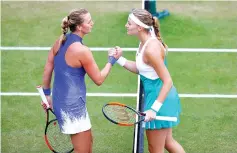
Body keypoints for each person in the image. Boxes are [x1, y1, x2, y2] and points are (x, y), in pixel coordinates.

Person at [42, 8, 119, 153]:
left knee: (88, 143)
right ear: (79, 26)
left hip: (63, 102)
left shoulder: (59, 42)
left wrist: (47, 95)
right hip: (72, 109)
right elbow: (99, 79)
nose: (92, 23)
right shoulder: (82, 51)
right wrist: (112, 60)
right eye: (89, 22)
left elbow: (48, 68)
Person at [114, 8, 185, 153]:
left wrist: (154, 109)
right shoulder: (144, 43)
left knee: (155, 149)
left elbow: (168, 81)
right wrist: (119, 59)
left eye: (129, 23)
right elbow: (142, 69)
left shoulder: (150, 49)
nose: (126, 26)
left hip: (160, 100)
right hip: (159, 98)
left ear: (139, 27)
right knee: (168, 143)